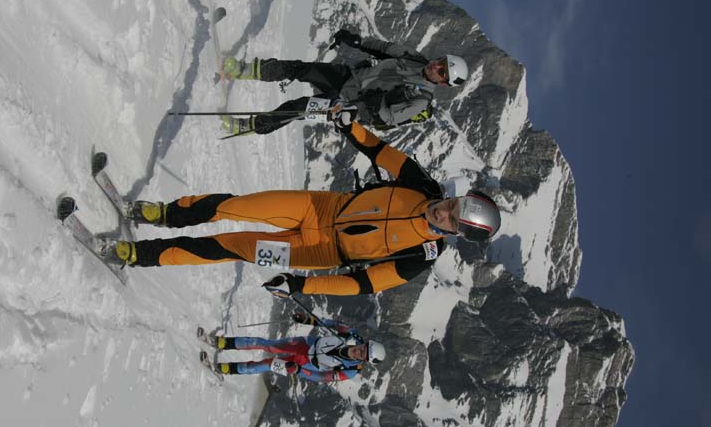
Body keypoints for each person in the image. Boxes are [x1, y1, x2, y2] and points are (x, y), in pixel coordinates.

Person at [103, 110, 501, 297]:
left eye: (451, 219)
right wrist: (348, 124)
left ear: (455, 233)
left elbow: (361, 284)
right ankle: (162, 214)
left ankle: (139, 255)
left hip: (316, 251)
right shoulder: (423, 184)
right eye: (454, 203)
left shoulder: (422, 255)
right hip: (320, 206)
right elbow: (379, 151)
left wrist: (301, 285)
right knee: (236, 206)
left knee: (231, 246)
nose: (443, 211)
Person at [219, 29, 469, 135]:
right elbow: (384, 48)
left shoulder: (420, 100)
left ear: (443, 84)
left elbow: (389, 119)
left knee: (297, 107)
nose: (437, 66)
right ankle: (245, 70)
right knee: (300, 68)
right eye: (441, 62)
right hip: (349, 77)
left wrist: (376, 106)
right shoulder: (414, 57)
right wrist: (357, 42)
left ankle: (250, 126)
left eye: (442, 72)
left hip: (347, 105)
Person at [210, 312, 385, 382]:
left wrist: (298, 370)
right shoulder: (351, 334)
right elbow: (329, 323)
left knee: (268, 364)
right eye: (363, 347)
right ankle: (226, 343)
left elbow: (321, 377)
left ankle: (229, 369)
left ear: (364, 360)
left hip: (304, 364)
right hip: (305, 344)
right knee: (269, 346)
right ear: (364, 342)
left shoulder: (350, 371)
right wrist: (308, 320)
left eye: (362, 355)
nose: (358, 351)